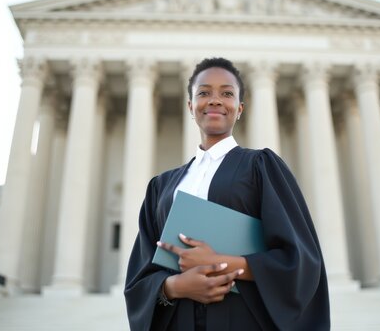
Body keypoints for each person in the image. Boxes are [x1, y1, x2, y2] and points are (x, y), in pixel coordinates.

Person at [124, 57, 330, 330]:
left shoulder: (261, 167)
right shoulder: (162, 187)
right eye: (204, 92)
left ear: (240, 108)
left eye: (227, 93)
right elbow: (140, 276)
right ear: (190, 106)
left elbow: (300, 261)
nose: (215, 100)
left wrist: (221, 263)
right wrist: (175, 286)